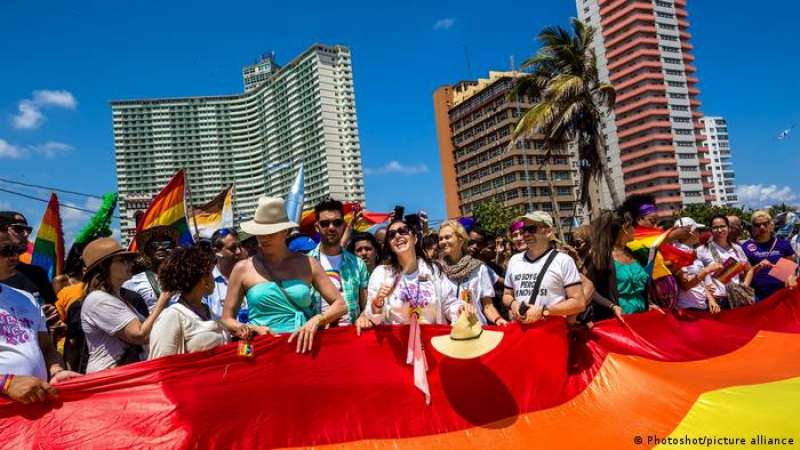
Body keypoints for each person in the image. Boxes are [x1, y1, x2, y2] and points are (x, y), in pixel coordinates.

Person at [221, 197, 347, 354]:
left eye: (270, 233)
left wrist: (317, 320)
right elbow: (226, 318)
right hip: (257, 348)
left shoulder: (308, 263)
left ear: (285, 232)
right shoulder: (242, 268)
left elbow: (340, 305)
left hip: (301, 346)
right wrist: (249, 328)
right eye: (260, 233)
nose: (263, 238)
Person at [0, 234, 81, 404]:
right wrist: (6, 383)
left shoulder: (27, 298)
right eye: (6, 250)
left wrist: (57, 371)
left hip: (36, 408)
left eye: (16, 249)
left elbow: (47, 348)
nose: (15, 256)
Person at [80, 238, 172, 373]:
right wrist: (162, 300)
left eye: (129, 260)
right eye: (122, 260)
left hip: (122, 374)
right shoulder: (99, 300)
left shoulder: (119, 299)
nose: (130, 264)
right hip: (109, 379)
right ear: (103, 267)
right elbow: (140, 335)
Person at [358, 218, 466, 331]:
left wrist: (460, 309)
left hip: (431, 340)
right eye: (391, 234)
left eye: (403, 231)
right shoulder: (381, 274)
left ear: (414, 238)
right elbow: (374, 318)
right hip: (399, 344)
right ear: (389, 245)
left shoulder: (433, 270)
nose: (397, 236)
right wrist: (378, 303)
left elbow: (448, 304)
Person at [502, 212, 586, 323]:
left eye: (531, 229)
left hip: (551, 332)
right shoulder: (514, 260)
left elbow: (579, 303)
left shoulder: (563, 261)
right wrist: (513, 304)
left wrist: (544, 310)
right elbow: (507, 295)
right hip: (522, 331)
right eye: (524, 230)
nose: (525, 234)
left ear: (548, 232)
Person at [149, 246, 228, 358]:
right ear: (203, 279)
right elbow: (160, 365)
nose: (213, 278)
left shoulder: (207, 311)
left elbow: (229, 352)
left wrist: (248, 341)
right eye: (210, 273)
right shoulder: (171, 316)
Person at [307, 199, 369, 326]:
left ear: (343, 226)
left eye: (337, 223)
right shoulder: (305, 263)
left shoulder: (357, 264)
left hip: (350, 336)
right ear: (317, 227)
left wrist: (363, 317)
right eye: (325, 223)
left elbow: (366, 306)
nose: (331, 228)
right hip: (317, 337)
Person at [438, 220, 506, 325]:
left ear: (460, 240)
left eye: (447, 237)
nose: (442, 242)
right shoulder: (438, 270)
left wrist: (497, 319)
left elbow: (488, 306)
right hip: (449, 333)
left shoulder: (479, 268)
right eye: (440, 239)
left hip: (476, 330)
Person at [584, 211, 650, 320]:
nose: (635, 230)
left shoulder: (633, 253)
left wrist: (649, 303)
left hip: (642, 318)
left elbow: (641, 289)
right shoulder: (600, 256)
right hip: (617, 322)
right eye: (632, 226)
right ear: (624, 228)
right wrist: (611, 306)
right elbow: (588, 288)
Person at [0, 211, 57, 305]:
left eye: (28, 230)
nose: (26, 234)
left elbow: (51, 310)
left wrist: (45, 313)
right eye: (18, 229)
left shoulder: (37, 274)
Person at [742, 210, 797, 301]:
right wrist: (758, 266)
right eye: (757, 225)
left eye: (765, 224)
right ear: (752, 228)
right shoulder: (745, 247)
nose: (762, 227)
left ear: (771, 225)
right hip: (757, 296)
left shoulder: (783, 244)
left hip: (782, 295)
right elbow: (746, 274)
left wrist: (791, 276)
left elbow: (791, 270)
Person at [696, 215, 749, 309]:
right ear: (711, 230)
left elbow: (749, 270)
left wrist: (744, 286)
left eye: (722, 226)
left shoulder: (737, 249)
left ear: (728, 228)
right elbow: (697, 276)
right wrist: (706, 291)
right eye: (715, 227)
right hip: (716, 300)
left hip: (736, 297)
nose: (719, 230)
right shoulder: (702, 250)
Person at [122, 226, 178, 312]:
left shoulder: (185, 278)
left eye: (166, 244)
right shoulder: (132, 282)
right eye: (154, 245)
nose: (161, 247)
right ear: (147, 250)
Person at [671, 218, 721, 313]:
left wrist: (710, 299)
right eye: (697, 230)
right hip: (687, 308)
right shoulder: (678, 252)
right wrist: (707, 270)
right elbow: (685, 285)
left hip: (699, 306)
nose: (699, 233)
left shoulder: (690, 251)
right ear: (689, 232)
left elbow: (698, 281)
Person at [202, 228, 247, 319]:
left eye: (239, 246)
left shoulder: (251, 275)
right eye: (232, 248)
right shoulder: (206, 283)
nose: (239, 251)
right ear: (216, 252)